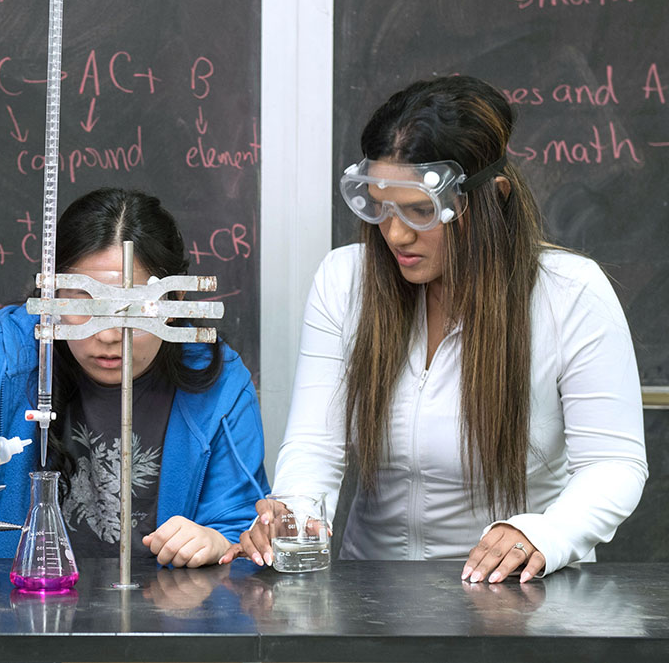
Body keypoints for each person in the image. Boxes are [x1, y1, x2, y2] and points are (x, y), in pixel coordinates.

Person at [223, 76, 647, 582]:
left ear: (492, 197)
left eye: (421, 211)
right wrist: (292, 515)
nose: (395, 233)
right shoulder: (345, 281)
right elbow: (316, 445)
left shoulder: (570, 294)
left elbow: (614, 464)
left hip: (517, 597)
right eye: (380, 206)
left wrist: (544, 533)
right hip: (372, 593)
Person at [0, 188, 269, 567]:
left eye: (134, 308)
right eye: (84, 303)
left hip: (162, 627)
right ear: (52, 294)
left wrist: (216, 542)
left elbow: (240, 532)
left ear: (174, 302)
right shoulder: (10, 352)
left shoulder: (216, 380)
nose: (109, 335)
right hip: (12, 621)